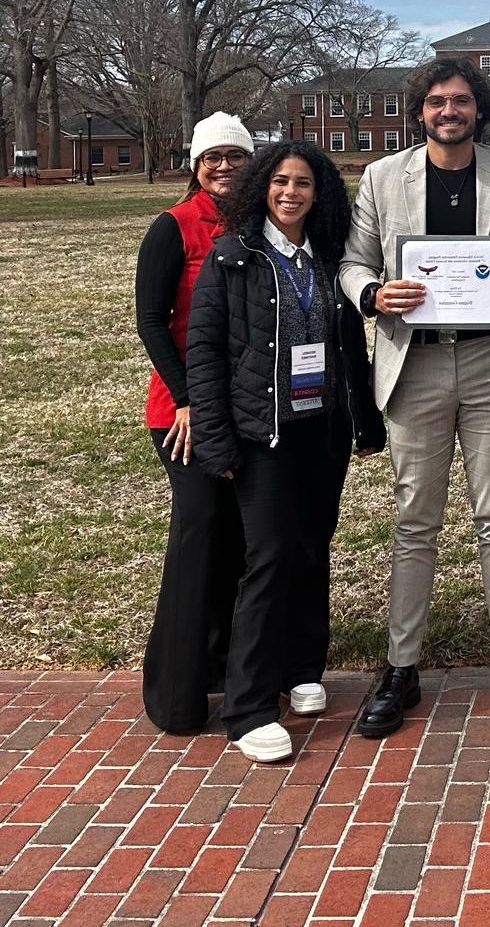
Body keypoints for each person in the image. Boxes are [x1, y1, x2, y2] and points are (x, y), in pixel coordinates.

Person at [339, 57, 490, 737]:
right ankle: (401, 666)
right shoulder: (381, 177)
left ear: (478, 109)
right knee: (414, 520)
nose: (449, 111)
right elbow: (353, 262)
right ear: (420, 110)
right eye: (437, 101)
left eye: (461, 100)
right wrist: (374, 295)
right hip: (416, 362)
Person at [187, 140, 385, 761]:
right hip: (261, 434)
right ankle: (247, 708)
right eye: (279, 182)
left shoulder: (327, 261)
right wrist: (216, 440)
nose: (290, 193)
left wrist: (365, 420)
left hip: (320, 431)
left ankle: (303, 670)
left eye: (303, 183)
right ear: (260, 190)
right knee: (268, 557)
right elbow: (205, 354)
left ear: (319, 194)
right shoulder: (234, 258)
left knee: (310, 550)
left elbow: (351, 347)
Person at [135, 111, 254, 734]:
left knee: (238, 540)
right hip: (184, 413)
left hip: (248, 409)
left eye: (237, 154)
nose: (225, 165)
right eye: (214, 156)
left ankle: (226, 667)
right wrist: (187, 398)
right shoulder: (173, 227)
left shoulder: (261, 225)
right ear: (196, 165)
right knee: (199, 533)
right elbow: (152, 321)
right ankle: (175, 689)